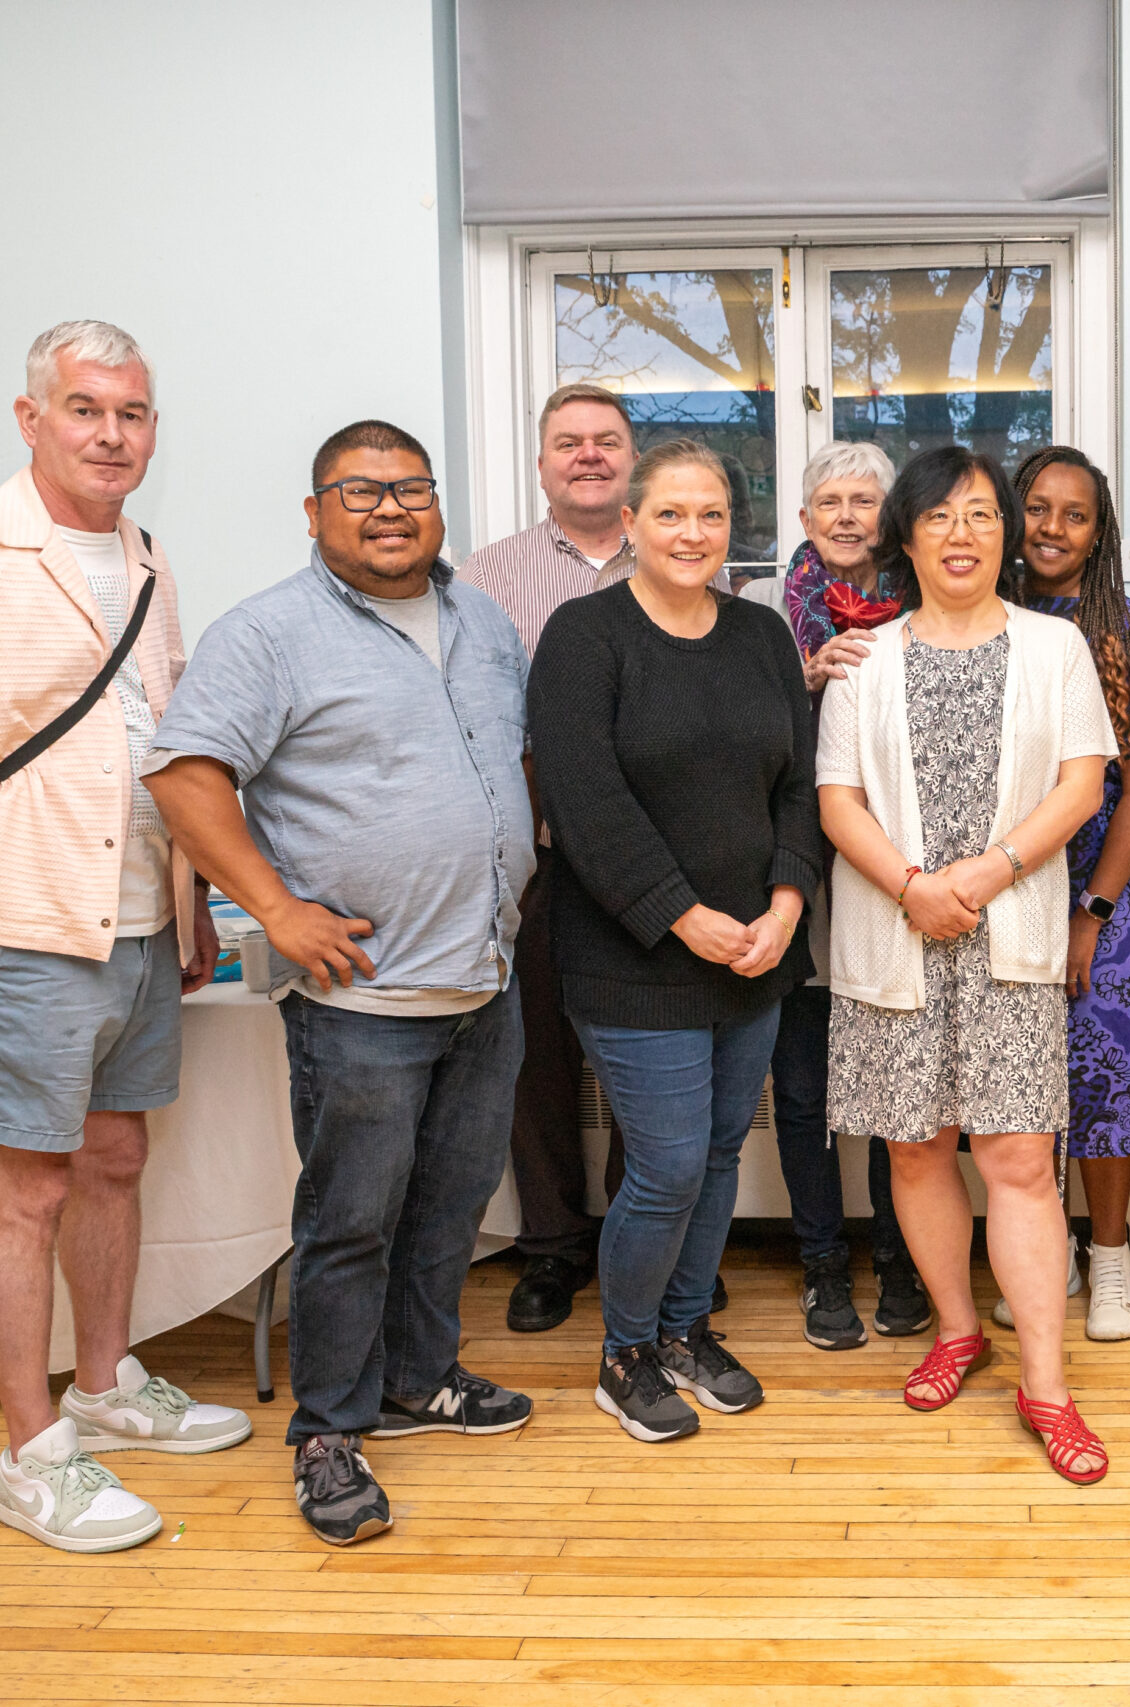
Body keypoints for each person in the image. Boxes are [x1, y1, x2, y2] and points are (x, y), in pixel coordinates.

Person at [0, 321, 245, 1556]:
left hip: (132, 917)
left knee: (116, 1156)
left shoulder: (145, 555)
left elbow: (159, 747)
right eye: (85, 410)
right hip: (20, 922)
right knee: (25, 1184)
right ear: (32, 421)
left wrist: (186, 903)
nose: (111, 434)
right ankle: (33, 1453)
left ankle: (105, 1383)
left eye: (131, 414)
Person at [146, 420, 536, 1546]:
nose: (388, 508)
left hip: (483, 981)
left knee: (451, 1209)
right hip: (363, 999)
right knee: (350, 1221)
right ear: (313, 514)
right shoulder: (269, 632)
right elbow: (182, 773)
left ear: (439, 510)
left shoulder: (482, 621)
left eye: (409, 487)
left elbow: (503, 767)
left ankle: (419, 1382)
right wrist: (275, 909)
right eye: (357, 491)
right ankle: (328, 1431)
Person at [817, 445, 1118, 1483]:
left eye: (982, 515)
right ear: (905, 535)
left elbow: (1083, 785)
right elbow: (836, 801)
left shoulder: (1054, 648)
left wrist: (984, 876)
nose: (962, 533)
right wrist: (913, 886)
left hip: (1008, 937)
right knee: (915, 1148)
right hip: (897, 934)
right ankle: (957, 1330)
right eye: (939, 516)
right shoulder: (864, 658)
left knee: (1020, 1161)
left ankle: (1046, 1385)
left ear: (1005, 535)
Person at [530, 439, 821, 1441]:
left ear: (730, 529)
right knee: (665, 1164)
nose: (691, 534)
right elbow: (585, 803)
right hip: (634, 958)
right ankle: (627, 1352)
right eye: (670, 515)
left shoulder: (761, 637)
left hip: (754, 952)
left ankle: (687, 1329)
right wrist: (681, 915)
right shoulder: (584, 638)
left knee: (718, 1152)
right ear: (632, 525)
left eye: (709, 516)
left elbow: (797, 784)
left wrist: (785, 906)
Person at [463, 383, 726, 1335]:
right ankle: (553, 1247)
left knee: (648, 1076)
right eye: (566, 442)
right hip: (535, 862)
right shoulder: (485, 577)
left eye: (606, 441)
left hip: (662, 868)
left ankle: (647, 1236)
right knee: (534, 1065)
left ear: (631, 464)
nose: (587, 455)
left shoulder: (685, 555)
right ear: (541, 464)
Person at [738, 439, 930, 1348]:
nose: (848, 515)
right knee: (805, 1089)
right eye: (830, 501)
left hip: (895, 878)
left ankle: (901, 1259)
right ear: (805, 519)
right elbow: (731, 746)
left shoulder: (927, 603)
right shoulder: (755, 616)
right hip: (788, 877)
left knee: (897, 1087)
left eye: (865, 499)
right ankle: (823, 1265)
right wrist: (798, 681)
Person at [1013, 445, 1130, 1342]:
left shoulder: (1126, 627)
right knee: (1016, 1072)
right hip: (1004, 871)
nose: (1053, 526)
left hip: (1109, 884)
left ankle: (1113, 1256)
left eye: (1075, 513)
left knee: (1112, 1063)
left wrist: (1092, 911)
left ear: (1099, 532)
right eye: (1038, 507)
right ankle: (1039, 1256)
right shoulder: (985, 617)